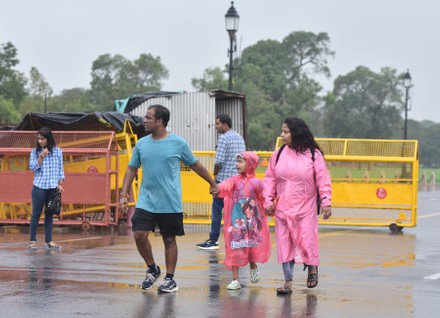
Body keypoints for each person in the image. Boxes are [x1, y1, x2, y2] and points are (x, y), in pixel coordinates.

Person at [119, 104, 219, 293]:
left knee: (169, 239)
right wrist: (123, 195)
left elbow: (196, 165)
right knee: (139, 235)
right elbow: (131, 168)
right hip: (146, 200)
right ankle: (152, 268)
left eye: (148, 118)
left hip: (169, 201)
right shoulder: (141, 143)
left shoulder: (178, 143)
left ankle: (170, 279)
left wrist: (212, 183)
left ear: (160, 121)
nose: (144, 120)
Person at [263, 117, 332, 294]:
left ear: (296, 133)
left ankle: (312, 268)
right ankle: (288, 282)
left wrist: (326, 202)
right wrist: (268, 201)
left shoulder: (313, 155)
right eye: (282, 131)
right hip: (283, 210)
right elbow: (270, 179)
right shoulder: (278, 153)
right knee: (284, 244)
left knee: (307, 242)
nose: (282, 135)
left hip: (305, 209)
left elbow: (323, 180)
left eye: (285, 132)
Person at [216, 151, 271, 290]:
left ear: (250, 164)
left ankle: (253, 265)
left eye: (240, 161)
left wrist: (270, 207)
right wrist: (217, 187)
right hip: (236, 222)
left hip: (251, 223)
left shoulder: (257, 183)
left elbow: (264, 198)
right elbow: (225, 186)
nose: (237, 164)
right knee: (235, 246)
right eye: (237, 161)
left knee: (250, 246)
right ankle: (235, 279)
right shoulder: (234, 180)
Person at [196, 114, 245, 250]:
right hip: (238, 181)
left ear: (225, 124)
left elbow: (219, 161)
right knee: (236, 211)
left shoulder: (223, 138)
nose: (216, 127)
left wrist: (215, 174)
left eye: (217, 124)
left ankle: (213, 240)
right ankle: (238, 239)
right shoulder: (239, 137)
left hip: (223, 180)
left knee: (217, 210)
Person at [28, 127, 65, 250]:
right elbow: (33, 168)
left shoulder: (58, 151)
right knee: (36, 214)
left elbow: (61, 168)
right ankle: (32, 241)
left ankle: (48, 241)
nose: (40, 141)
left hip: (53, 187)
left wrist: (60, 184)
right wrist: (41, 156)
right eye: (38, 138)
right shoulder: (35, 152)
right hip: (39, 186)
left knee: (49, 213)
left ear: (48, 139)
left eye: (42, 139)